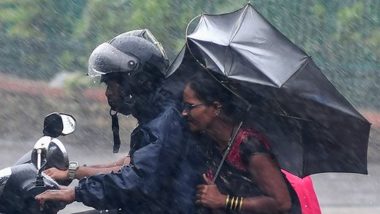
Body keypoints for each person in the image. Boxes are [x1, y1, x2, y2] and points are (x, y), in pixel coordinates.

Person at [35, 29, 205, 214]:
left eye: (111, 84)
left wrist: (75, 193)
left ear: (135, 81)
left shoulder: (166, 122)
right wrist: (73, 173)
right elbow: (127, 166)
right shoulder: (155, 116)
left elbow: (137, 180)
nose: (108, 93)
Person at [181, 71, 301, 213]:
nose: (184, 113)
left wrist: (223, 200)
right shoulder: (210, 142)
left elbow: (282, 203)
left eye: (191, 106)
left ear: (215, 108)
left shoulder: (249, 146)